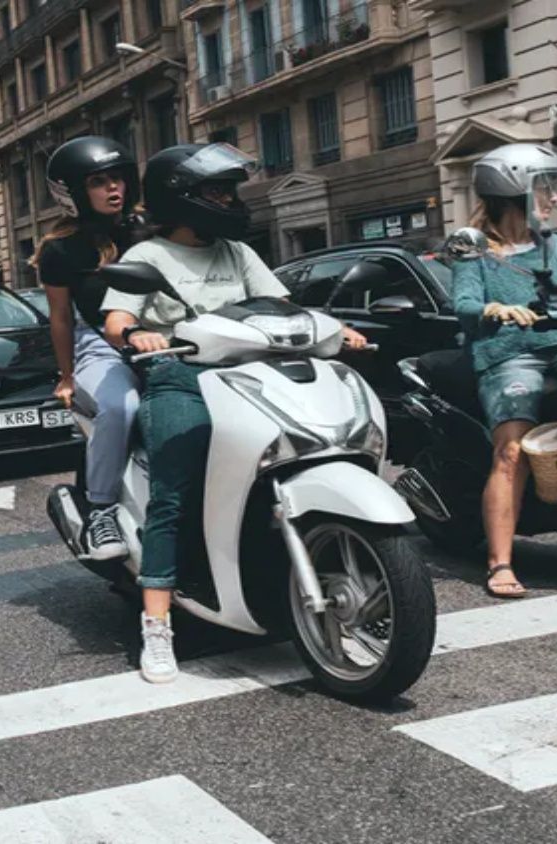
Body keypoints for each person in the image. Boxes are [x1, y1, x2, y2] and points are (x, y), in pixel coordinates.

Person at [102, 143, 366, 683]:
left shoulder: (237, 253)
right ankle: (157, 626)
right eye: (216, 191)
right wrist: (138, 333)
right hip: (181, 375)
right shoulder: (147, 258)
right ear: (180, 198)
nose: (228, 200)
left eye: (229, 190)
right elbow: (115, 320)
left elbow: (281, 307)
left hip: (253, 373)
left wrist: (335, 328)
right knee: (175, 492)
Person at [34, 136, 148, 561]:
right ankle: (100, 509)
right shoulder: (59, 250)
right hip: (98, 344)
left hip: (160, 337)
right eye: (99, 182)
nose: (113, 188)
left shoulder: (148, 229)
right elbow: (61, 317)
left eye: (117, 178)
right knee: (122, 407)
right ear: (74, 193)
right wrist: (66, 377)